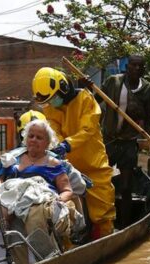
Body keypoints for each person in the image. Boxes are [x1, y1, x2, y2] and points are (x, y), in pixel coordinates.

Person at [32, 67, 116, 239]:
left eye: (53, 98)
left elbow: (88, 128)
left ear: (63, 87)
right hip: (69, 165)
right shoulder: (50, 107)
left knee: (102, 209)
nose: (52, 102)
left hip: (93, 163)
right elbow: (53, 127)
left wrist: (67, 144)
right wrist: (58, 144)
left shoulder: (86, 99)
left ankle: (105, 238)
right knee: (66, 208)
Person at [0, 119, 84, 264]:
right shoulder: (13, 159)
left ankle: (41, 259)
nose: (34, 140)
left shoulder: (53, 163)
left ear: (48, 143)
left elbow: (67, 190)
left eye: (39, 137)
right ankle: (0, 262)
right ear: (25, 138)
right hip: (14, 197)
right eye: (31, 136)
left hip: (39, 199)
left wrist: (58, 200)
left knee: (35, 217)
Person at [100, 55, 150, 227]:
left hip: (128, 142)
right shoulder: (113, 81)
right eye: (133, 65)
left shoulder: (147, 89)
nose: (136, 69)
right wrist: (85, 87)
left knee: (125, 187)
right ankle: (99, 221)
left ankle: (125, 226)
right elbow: (94, 100)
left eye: (140, 66)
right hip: (108, 139)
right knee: (100, 180)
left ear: (143, 69)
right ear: (127, 67)